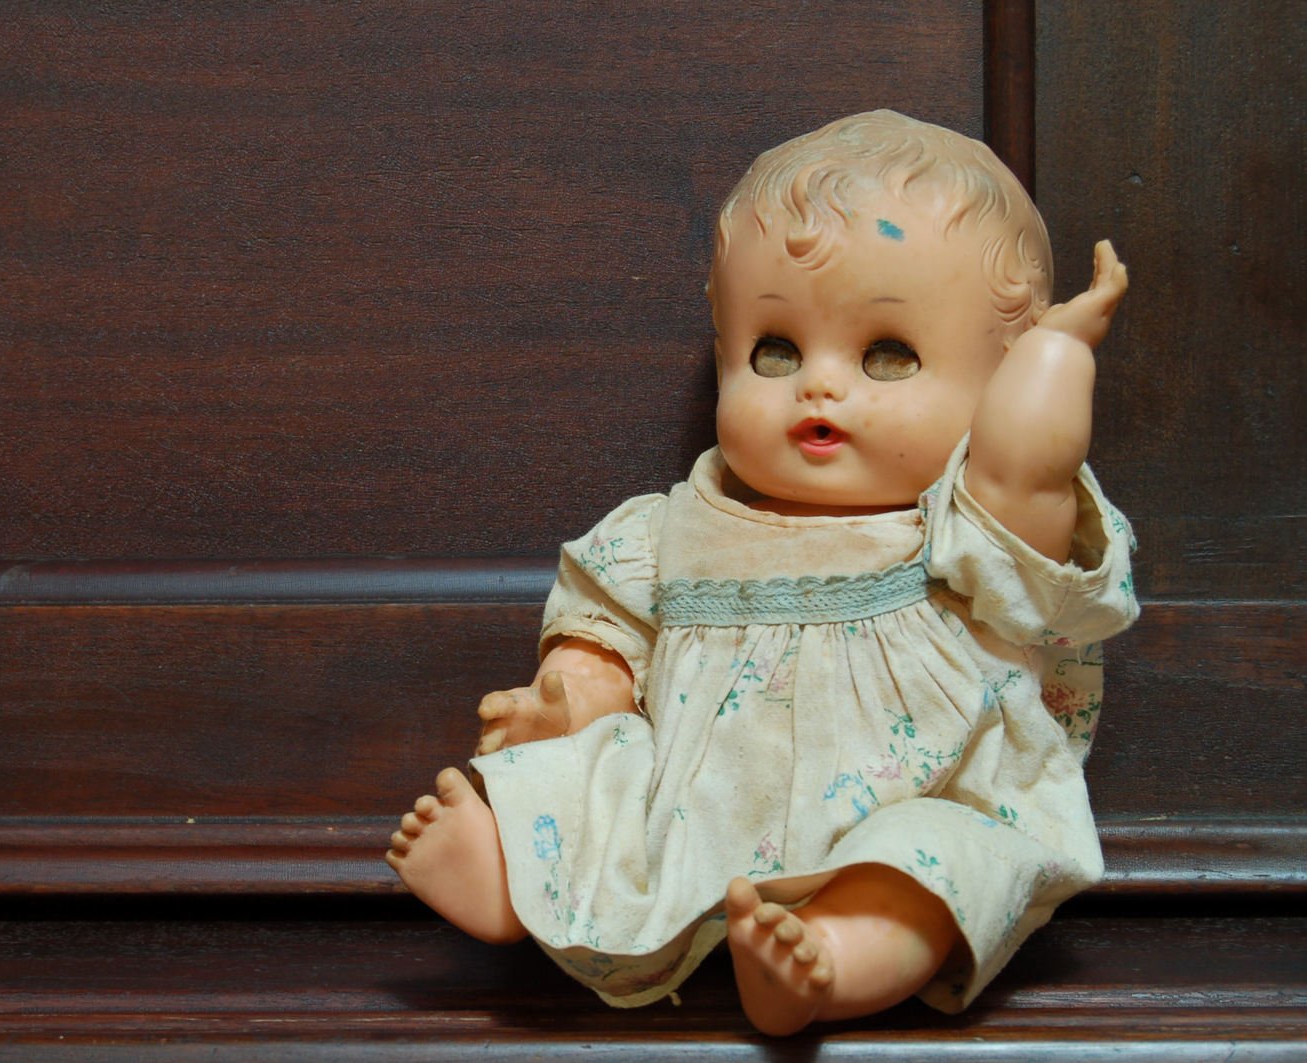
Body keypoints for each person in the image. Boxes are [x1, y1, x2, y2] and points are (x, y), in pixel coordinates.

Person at [387, 110, 1137, 1036]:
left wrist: (1053, 359)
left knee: (932, 864)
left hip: (913, 792)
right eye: (773, 352)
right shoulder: (673, 527)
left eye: (886, 356)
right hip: (691, 802)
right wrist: (571, 694)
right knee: (589, 779)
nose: (817, 387)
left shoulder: (963, 531)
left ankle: (825, 966)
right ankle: (512, 886)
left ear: (996, 385)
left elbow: (1027, 471)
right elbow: (604, 622)